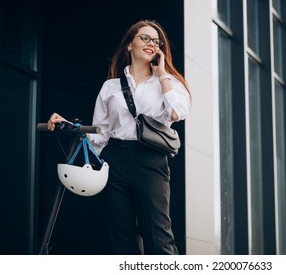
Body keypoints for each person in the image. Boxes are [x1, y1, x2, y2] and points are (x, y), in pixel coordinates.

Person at [47, 19, 191, 254]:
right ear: (129, 45)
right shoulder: (111, 87)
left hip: (151, 161)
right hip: (116, 160)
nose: (151, 43)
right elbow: (99, 135)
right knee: (120, 237)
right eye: (144, 37)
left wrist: (162, 73)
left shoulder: (168, 82)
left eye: (156, 41)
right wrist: (67, 125)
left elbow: (178, 112)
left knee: (158, 237)